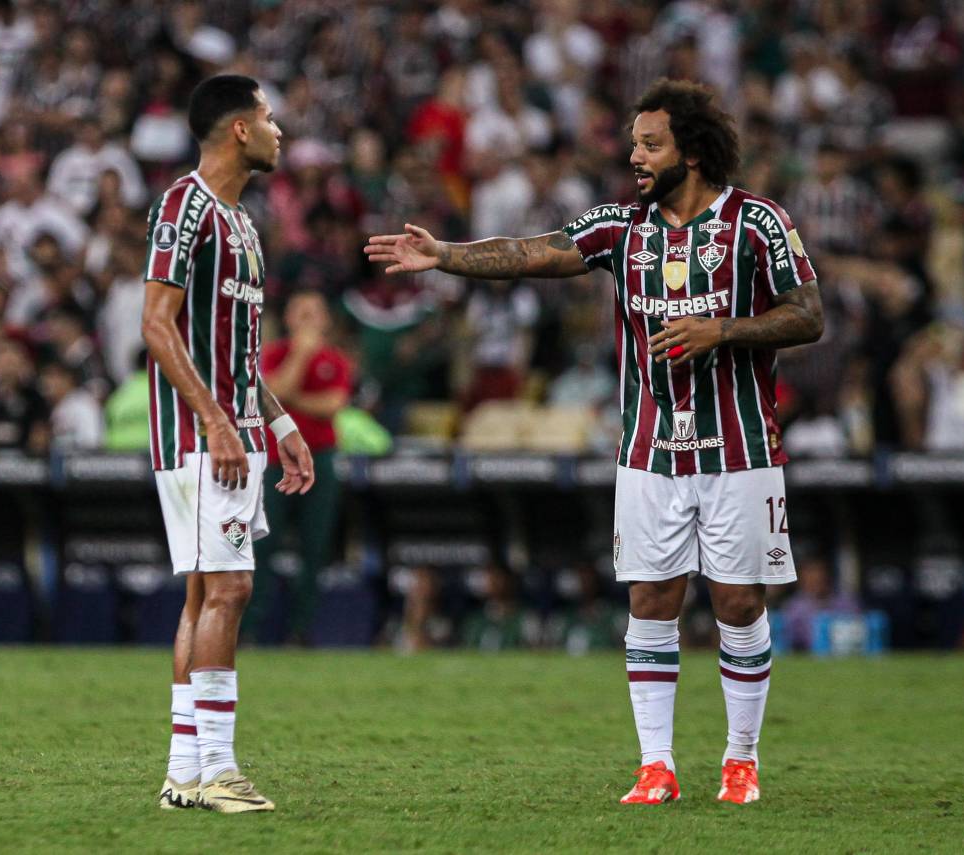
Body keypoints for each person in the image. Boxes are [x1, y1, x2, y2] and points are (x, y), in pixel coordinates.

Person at [367, 78, 823, 806]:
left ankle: (741, 758)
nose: (634, 156)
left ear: (693, 152)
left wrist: (724, 329)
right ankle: (655, 765)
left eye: (650, 144)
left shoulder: (758, 223)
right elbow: (531, 251)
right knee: (651, 597)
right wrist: (445, 254)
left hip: (739, 449)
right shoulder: (621, 227)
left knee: (738, 602)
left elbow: (808, 314)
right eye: (633, 143)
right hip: (647, 450)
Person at [141, 74, 314, 814]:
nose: (281, 131)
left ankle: (184, 771)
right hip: (200, 435)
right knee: (232, 588)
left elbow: (237, 352)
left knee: (205, 591)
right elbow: (156, 323)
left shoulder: (242, 221)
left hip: (236, 431)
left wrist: (278, 422)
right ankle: (218, 769)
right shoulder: (186, 205)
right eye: (270, 118)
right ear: (239, 129)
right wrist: (214, 420)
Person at [251, 289, 353, 644]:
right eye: (301, 312)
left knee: (315, 547)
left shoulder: (336, 360)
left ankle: (300, 631)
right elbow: (270, 395)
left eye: (314, 312)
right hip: (275, 461)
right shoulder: (273, 354)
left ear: (325, 320)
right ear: (288, 319)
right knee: (262, 545)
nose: (308, 319)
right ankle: (250, 631)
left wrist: (292, 395)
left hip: (320, 461)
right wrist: (300, 355)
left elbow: (332, 405)